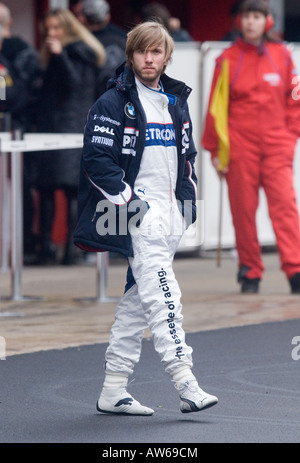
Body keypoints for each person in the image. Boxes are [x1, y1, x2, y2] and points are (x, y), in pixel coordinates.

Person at [74, 21, 218, 415]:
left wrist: (186, 206)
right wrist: (129, 203)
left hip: (170, 217)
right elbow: (96, 161)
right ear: (131, 55)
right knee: (165, 298)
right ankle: (186, 382)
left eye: (156, 52)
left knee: (138, 302)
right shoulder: (111, 102)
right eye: (142, 51)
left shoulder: (174, 100)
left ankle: (113, 388)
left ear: (167, 56)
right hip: (135, 217)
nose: (149, 58)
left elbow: (186, 158)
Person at [202, 0, 300, 294]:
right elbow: (215, 108)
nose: (251, 22)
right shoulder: (227, 59)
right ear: (239, 21)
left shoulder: (283, 55)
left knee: (285, 208)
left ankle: (295, 269)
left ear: (267, 21)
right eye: (246, 16)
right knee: (243, 210)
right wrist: (216, 151)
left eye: (257, 16)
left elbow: (295, 100)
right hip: (240, 147)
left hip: (276, 146)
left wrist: (289, 138)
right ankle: (250, 270)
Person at [34, 8, 106, 265]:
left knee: (71, 189)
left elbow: (76, 85)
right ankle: (46, 248)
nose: (51, 34)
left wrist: (60, 55)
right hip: (51, 127)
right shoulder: (59, 54)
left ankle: (73, 250)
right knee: (45, 189)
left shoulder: (79, 52)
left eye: (56, 28)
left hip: (71, 128)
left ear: (69, 28)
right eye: (48, 29)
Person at [0, 2, 42, 261]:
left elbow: (10, 96)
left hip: (15, 130)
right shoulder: (25, 52)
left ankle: (24, 243)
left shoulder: (13, 56)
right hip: (18, 128)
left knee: (20, 189)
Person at [80, 0, 127, 97]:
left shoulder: (78, 42)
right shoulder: (123, 37)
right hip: (118, 95)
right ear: (107, 17)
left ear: (83, 18)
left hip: (88, 98)